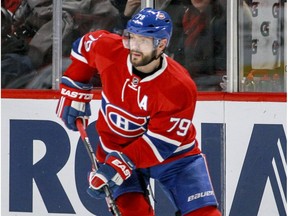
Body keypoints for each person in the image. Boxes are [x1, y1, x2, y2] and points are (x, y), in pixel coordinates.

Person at [56, 7, 221, 216]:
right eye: (132, 38)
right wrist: (75, 85)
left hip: (173, 155)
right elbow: (84, 48)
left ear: (161, 44)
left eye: (143, 41)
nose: (134, 47)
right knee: (134, 211)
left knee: (204, 214)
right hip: (115, 147)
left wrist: (120, 163)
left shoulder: (179, 86)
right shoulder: (110, 50)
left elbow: (161, 143)